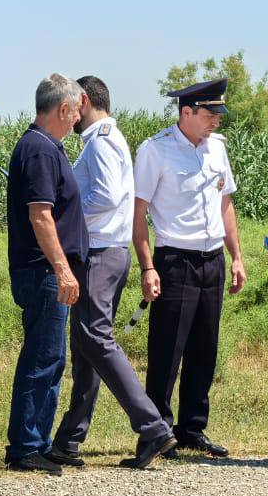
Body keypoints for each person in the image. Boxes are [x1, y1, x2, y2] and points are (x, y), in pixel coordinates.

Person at [49, 76, 176, 470]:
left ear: (84, 100)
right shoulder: (104, 140)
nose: (67, 115)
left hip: (101, 253)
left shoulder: (101, 141)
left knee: (94, 339)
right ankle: (70, 438)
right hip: (106, 253)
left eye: (70, 105)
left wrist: (65, 217)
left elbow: (104, 195)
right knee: (86, 347)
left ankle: (152, 425)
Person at [132, 77, 246, 459]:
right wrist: (148, 267)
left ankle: (192, 428)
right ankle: (158, 431)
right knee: (167, 350)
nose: (217, 120)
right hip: (175, 261)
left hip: (211, 260)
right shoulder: (156, 150)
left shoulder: (217, 150)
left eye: (218, 113)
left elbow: (225, 205)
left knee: (204, 349)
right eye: (210, 113)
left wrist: (237, 256)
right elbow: (139, 214)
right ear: (186, 112)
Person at [4, 74, 89, 475]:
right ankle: (26, 446)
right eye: (76, 110)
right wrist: (62, 270)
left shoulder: (45, 147)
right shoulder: (39, 150)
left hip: (45, 272)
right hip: (43, 272)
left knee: (51, 357)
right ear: (62, 109)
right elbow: (41, 215)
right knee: (43, 357)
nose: (77, 119)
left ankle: (33, 441)